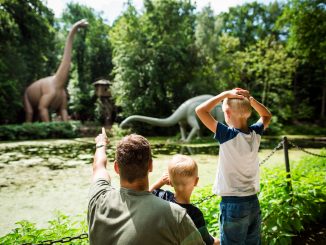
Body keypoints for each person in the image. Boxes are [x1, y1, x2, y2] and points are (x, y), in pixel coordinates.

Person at [87, 128, 205, 245]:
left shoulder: (98, 197)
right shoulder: (175, 215)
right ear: (150, 165)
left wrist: (101, 144)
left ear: (116, 167)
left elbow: (99, 166)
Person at [195, 89, 272, 244]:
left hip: (233, 204)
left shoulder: (227, 135)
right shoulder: (255, 133)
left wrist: (224, 94)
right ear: (249, 112)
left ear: (227, 113)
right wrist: (250, 99)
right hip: (253, 202)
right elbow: (266, 115)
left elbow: (200, 110)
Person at [149, 154, 220, 245]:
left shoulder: (162, 197)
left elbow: (147, 193)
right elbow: (208, 242)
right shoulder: (195, 214)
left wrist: (160, 182)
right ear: (196, 181)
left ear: (169, 182)